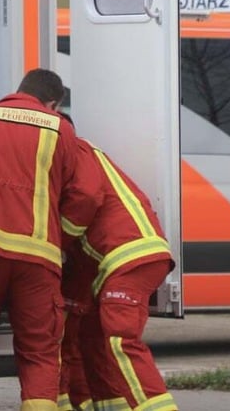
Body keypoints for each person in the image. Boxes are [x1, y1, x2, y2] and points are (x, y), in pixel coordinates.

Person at [0, 68, 99, 411]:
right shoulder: (60, 128)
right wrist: (63, 237)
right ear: (52, 104)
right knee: (39, 350)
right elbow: (86, 195)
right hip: (38, 255)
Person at [66, 138, 178, 411]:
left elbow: (85, 202)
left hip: (129, 259)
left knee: (120, 340)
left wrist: (56, 240)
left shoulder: (75, 153)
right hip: (125, 259)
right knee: (94, 339)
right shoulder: (87, 156)